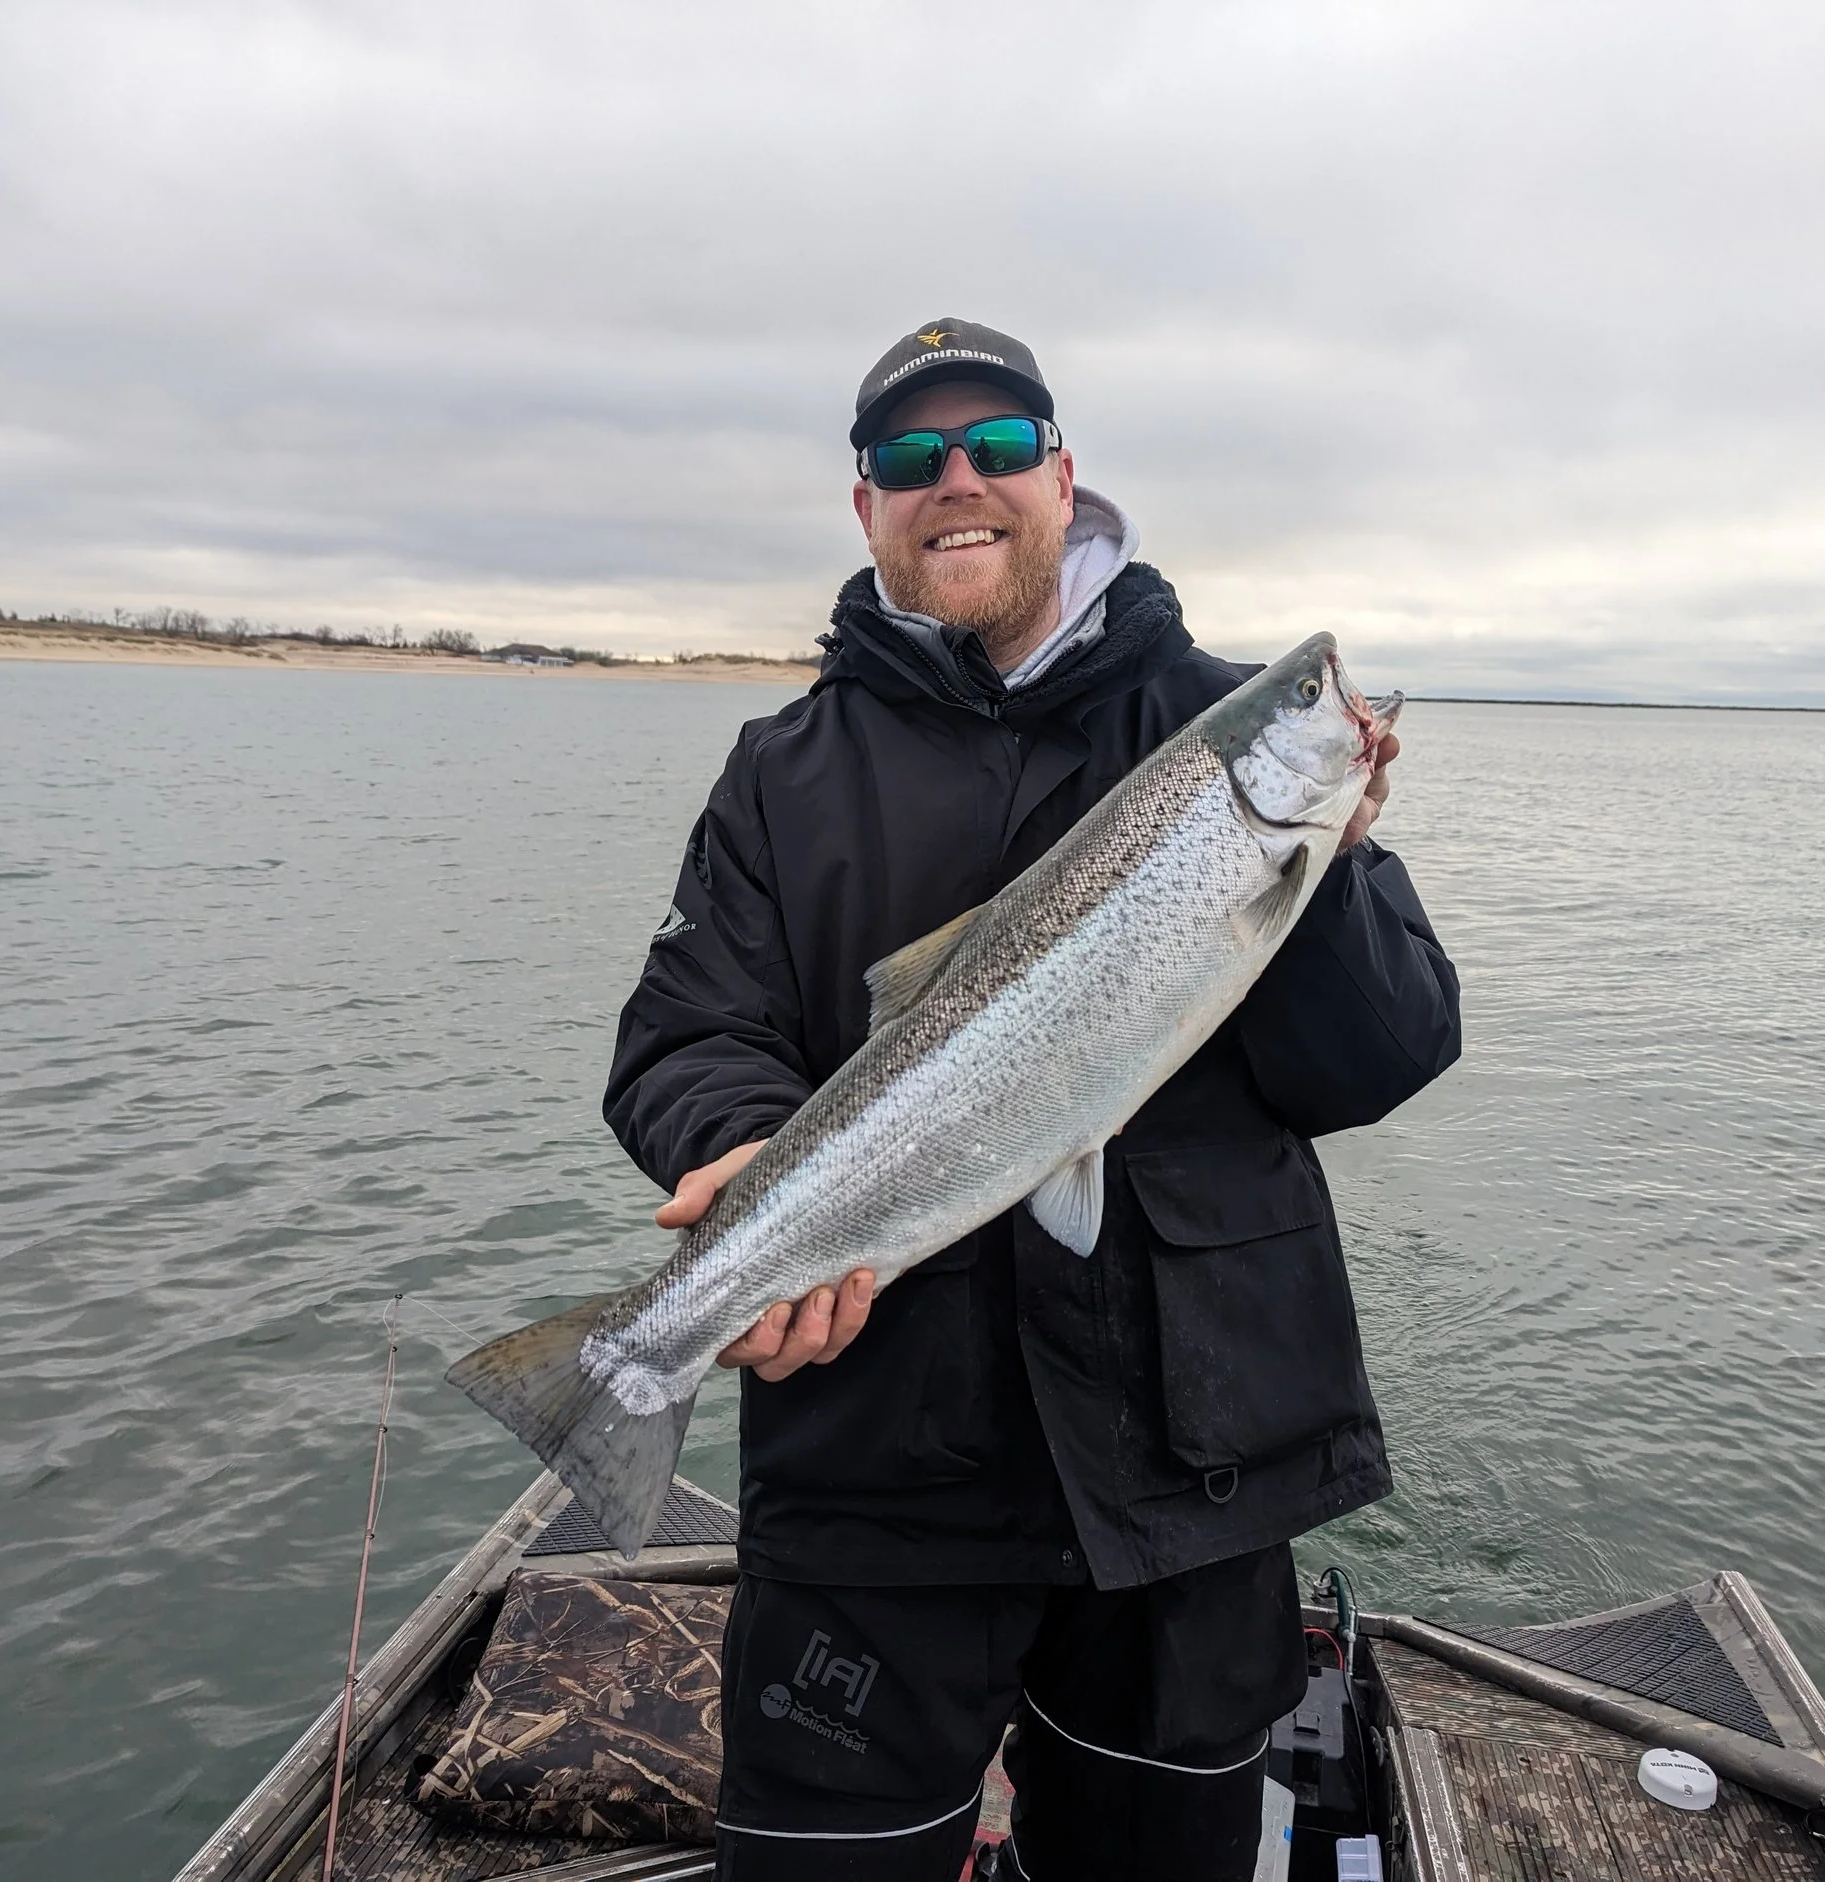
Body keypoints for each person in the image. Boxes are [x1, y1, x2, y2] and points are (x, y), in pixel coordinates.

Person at [604, 319, 1461, 1881]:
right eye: (911, 459)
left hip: (1186, 1475)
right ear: (863, 505)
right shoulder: (782, 772)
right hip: (872, 1479)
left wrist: (1322, 874)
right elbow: (684, 1030)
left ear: (1065, 478)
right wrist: (736, 1145)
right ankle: (617, 1378)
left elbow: (1387, 1052)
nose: (958, 483)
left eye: (998, 449)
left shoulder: (1212, 737)